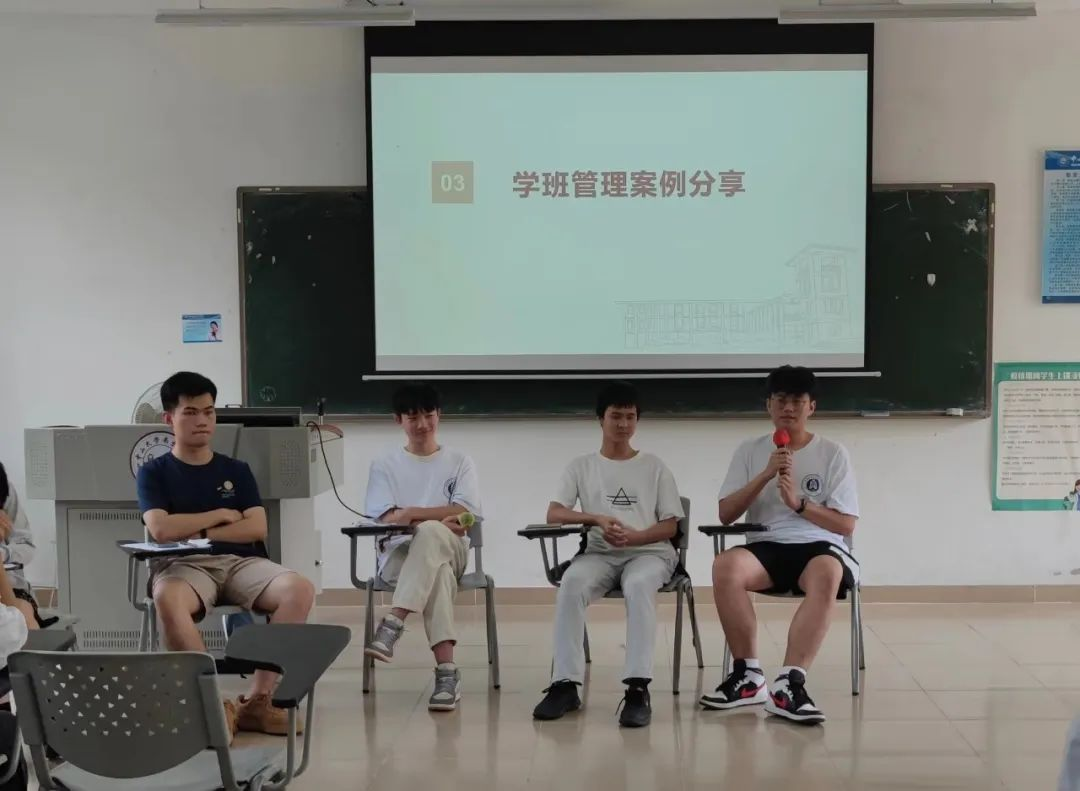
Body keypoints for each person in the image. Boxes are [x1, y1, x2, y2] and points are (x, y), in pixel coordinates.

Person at [136, 371, 316, 737]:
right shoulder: (154, 472)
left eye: (209, 411)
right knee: (167, 597)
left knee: (299, 589)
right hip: (184, 565)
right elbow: (161, 529)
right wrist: (218, 515)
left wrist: (196, 529)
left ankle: (258, 701)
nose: (202, 420)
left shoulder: (236, 470)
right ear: (169, 418)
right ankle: (212, 707)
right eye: (190, 412)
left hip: (240, 563)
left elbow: (256, 527)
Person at [700, 366, 859, 725]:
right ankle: (748, 676)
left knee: (827, 571)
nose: (788, 408)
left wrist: (800, 504)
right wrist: (765, 475)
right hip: (766, 543)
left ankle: (790, 683)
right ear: (768, 405)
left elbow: (846, 524)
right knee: (726, 565)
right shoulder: (750, 450)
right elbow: (726, 514)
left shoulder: (833, 453)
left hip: (817, 546)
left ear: (811, 407)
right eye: (781, 400)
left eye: (797, 401)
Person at [533, 382, 684, 728]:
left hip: (650, 554)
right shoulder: (581, 466)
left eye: (630, 417)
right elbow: (554, 513)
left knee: (638, 584)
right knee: (571, 584)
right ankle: (565, 685)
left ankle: (637, 688)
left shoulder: (654, 466)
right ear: (600, 419)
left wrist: (636, 536)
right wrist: (595, 519)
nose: (623, 424)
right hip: (599, 554)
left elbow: (671, 526)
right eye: (616, 416)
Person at [362, 383, 482, 712]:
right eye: (413, 417)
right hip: (397, 555)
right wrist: (436, 519)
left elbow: (466, 512)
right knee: (437, 574)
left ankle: (394, 621)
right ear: (398, 420)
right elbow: (387, 516)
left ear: (439, 415)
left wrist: (413, 513)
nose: (422, 424)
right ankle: (447, 673)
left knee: (432, 537)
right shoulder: (384, 464)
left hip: (451, 548)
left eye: (429, 415)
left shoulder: (460, 461)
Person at [0, 462, 43, 632]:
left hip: (10, 588)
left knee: (22, 616)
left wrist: (5, 553)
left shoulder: (5, 490)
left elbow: (26, 547)